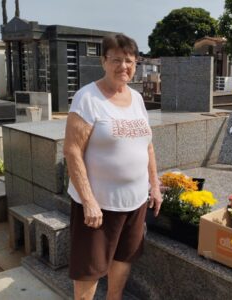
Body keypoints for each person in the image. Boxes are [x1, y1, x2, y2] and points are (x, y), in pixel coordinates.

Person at [63, 33, 162, 300]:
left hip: (135, 201)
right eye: (116, 60)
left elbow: (148, 146)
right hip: (99, 205)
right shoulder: (88, 98)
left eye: (129, 61)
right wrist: (88, 201)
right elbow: (72, 150)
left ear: (136, 64)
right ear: (104, 61)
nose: (123, 66)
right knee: (90, 268)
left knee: (124, 257)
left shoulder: (137, 98)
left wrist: (154, 185)